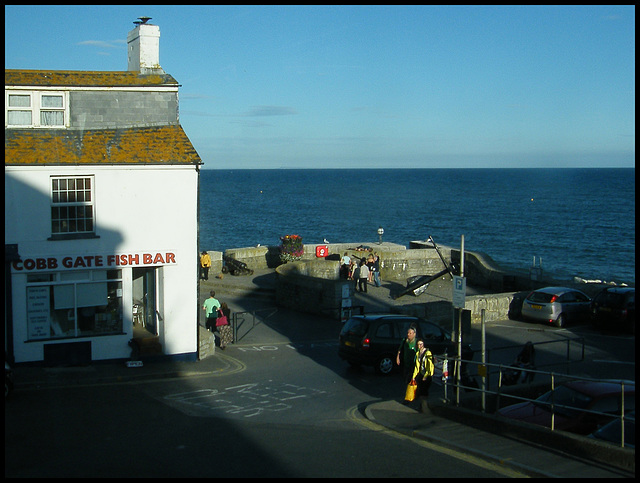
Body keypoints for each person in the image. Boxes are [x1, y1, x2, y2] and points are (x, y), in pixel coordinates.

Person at [397, 325, 418, 403]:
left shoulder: (416, 342)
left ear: (414, 334)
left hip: (414, 365)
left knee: (411, 381)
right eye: (408, 333)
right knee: (406, 380)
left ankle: (409, 398)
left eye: (410, 333)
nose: (408, 334)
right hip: (406, 363)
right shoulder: (404, 341)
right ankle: (411, 396)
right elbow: (400, 350)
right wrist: (398, 357)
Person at [412, 339, 435, 410]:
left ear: (423, 344)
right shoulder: (418, 353)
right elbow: (417, 366)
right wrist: (414, 376)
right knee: (420, 390)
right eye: (418, 344)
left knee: (424, 391)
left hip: (427, 375)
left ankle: (425, 407)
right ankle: (423, 406)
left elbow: (429, 366)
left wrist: (426, 376)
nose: (419, 346)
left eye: (421, 344)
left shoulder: (428, 353)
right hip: (421, 374)